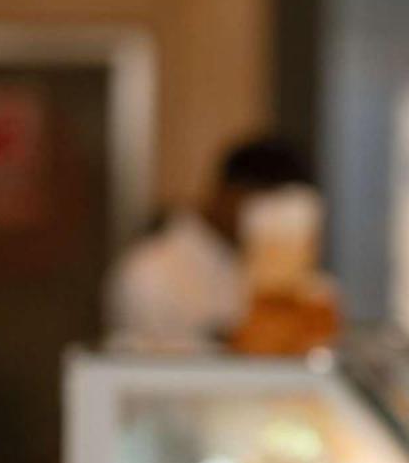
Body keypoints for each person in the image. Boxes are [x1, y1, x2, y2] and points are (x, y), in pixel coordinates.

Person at [105, 135, 313, 349]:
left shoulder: (291, 278)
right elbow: (145, 370)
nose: (277, 225)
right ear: (229, 194)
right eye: (273, 210)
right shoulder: (149, 271)